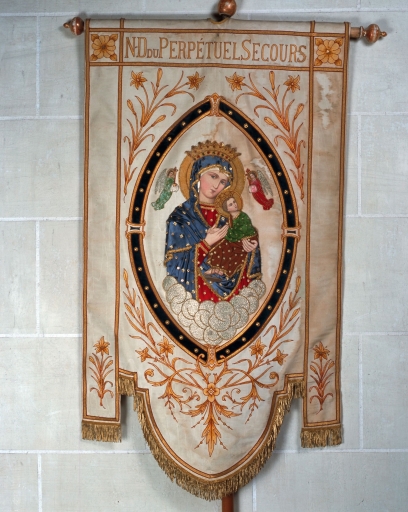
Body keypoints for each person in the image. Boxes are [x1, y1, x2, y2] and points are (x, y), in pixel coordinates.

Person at [164, 148, 261, 303]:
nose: (216, 185)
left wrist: (251, 245)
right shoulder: (180, 217)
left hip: (234, 295)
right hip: (195, 294)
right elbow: (173, 264)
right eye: (213, 176)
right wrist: (206, 244)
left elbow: (243, 245)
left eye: (223, 181)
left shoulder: (230, 216)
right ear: (198, 176)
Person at [205, 191, 258, 280]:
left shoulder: (243, 216)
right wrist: (214, 230)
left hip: (245, 240)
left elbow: (239, 232)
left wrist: (223, 232)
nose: (234, 204)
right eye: (231, 204)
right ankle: (216, 269)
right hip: (235, 239)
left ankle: (222, 270)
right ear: (227, 209)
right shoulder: (229, 218)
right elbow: (225, 229)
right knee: (219, 245)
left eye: (234, 202)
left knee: (226, 246)